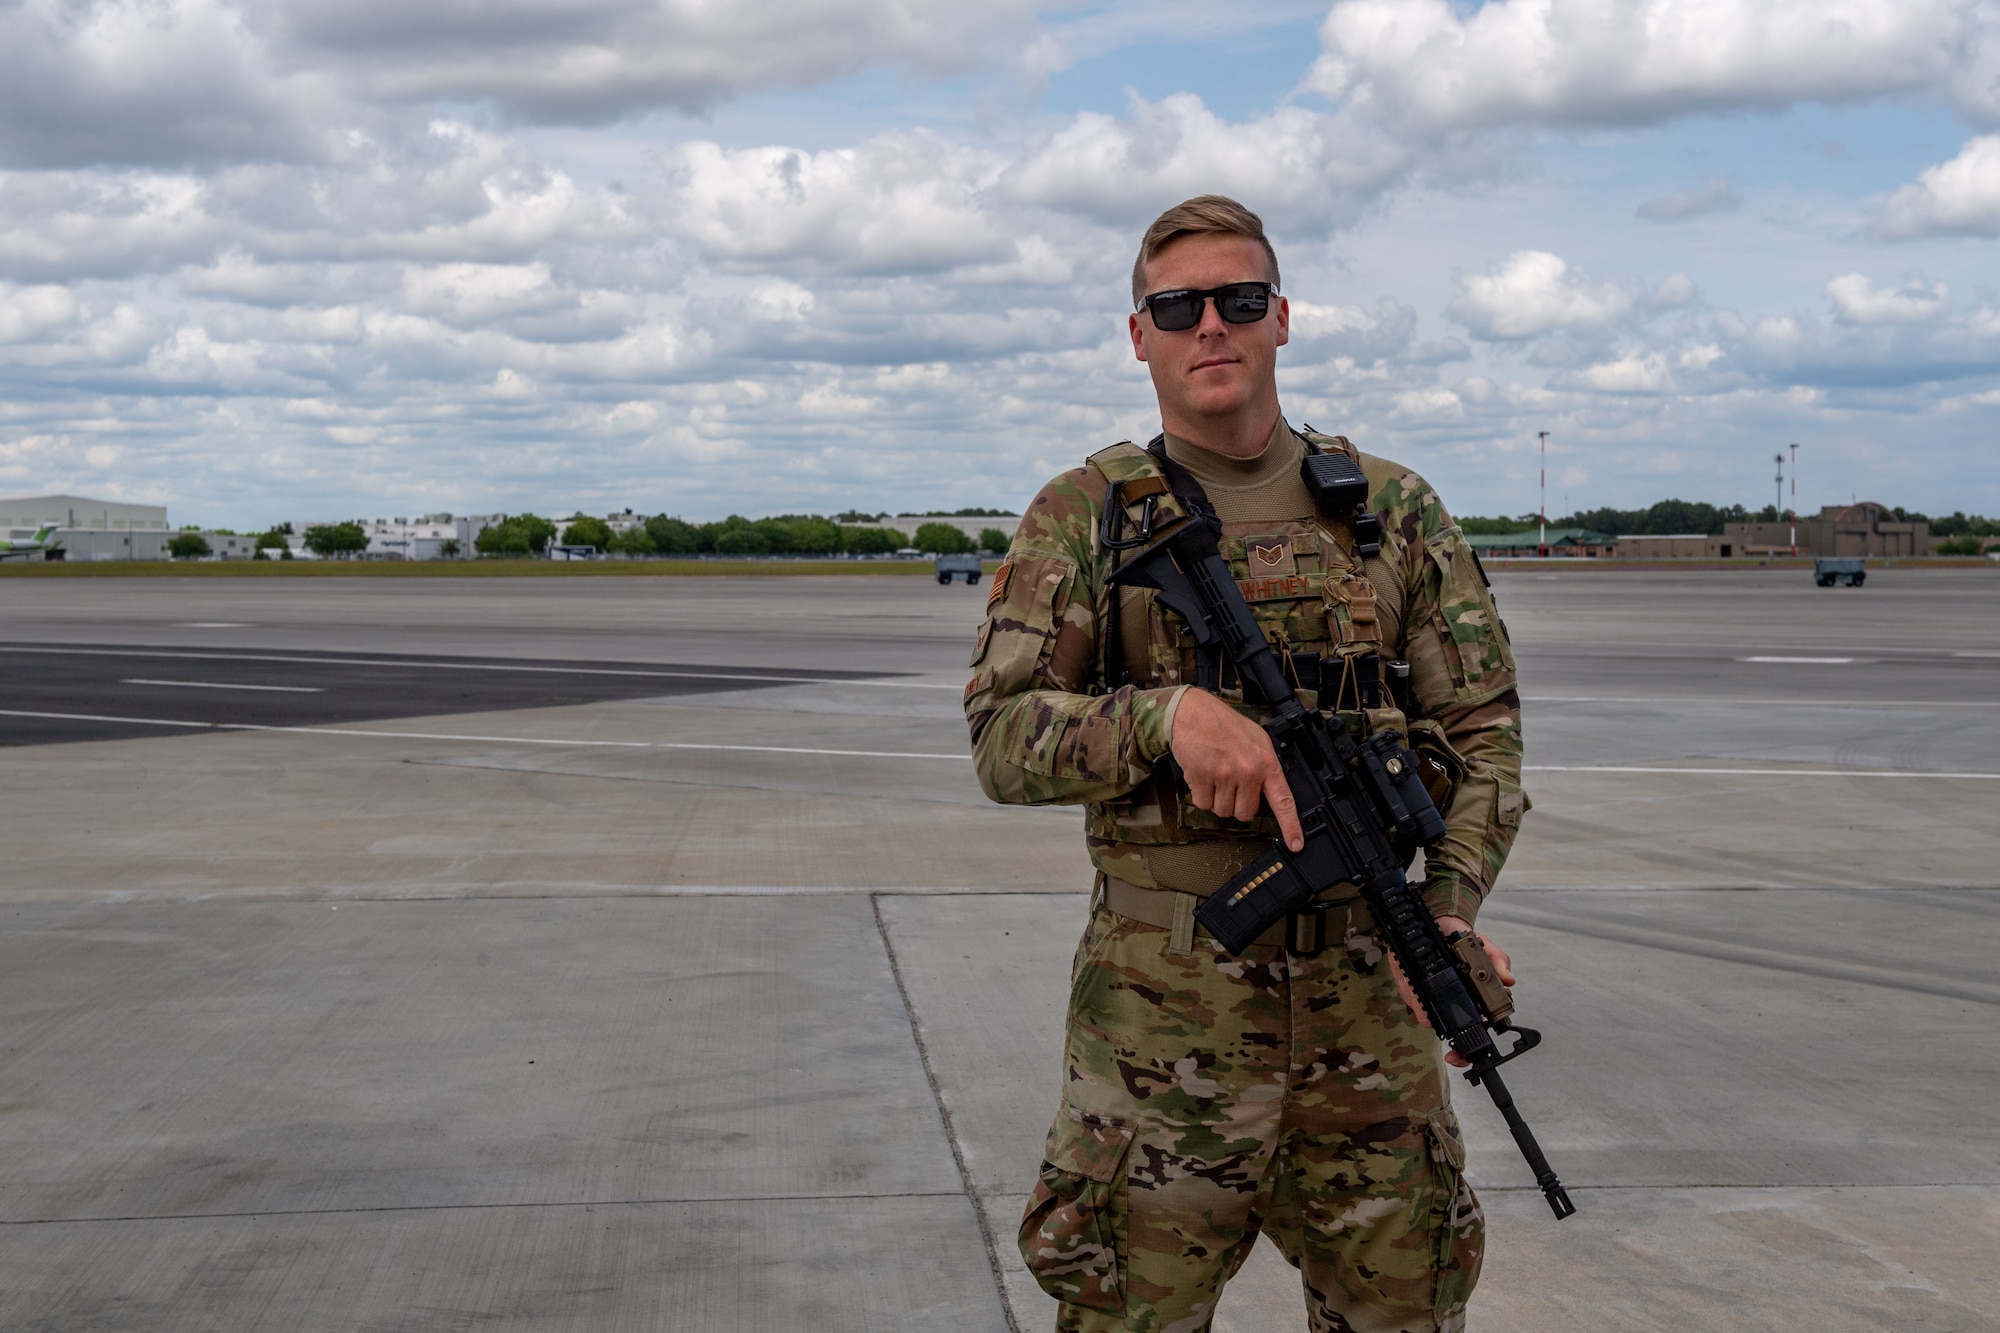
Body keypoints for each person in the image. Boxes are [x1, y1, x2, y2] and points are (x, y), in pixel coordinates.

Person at [964, 195, 1528, 1333]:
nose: (1209, 324)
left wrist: (1449, 910)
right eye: (1177, 306)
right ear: (1140, 335)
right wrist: (1161, 719)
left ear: (1282, 320)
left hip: (1370, 1008)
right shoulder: (1082, 517)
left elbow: (1483, 737)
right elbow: (1000, 738)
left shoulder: (1391, 510)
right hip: (1160, 1026)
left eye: (1239, 299)